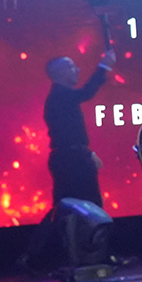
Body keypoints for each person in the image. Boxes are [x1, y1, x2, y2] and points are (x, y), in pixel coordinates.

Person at [44, 49, 115, 208]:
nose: (78, 69)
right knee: (87, 208)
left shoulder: (59, 96)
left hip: (71, 158)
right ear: (59, 73)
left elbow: (69, 136)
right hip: (71, 161)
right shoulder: (60, 96)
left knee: (77, 207)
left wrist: (86, 153)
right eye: (71, 66)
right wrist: (104, 66)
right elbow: (86, 93)